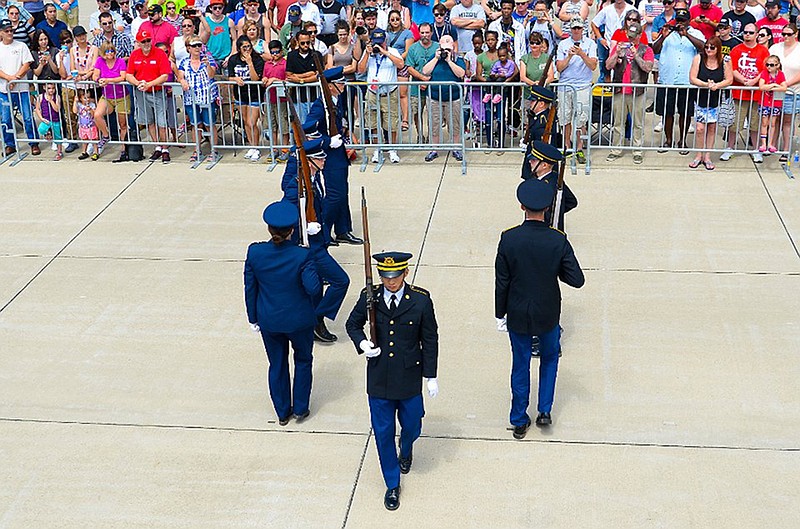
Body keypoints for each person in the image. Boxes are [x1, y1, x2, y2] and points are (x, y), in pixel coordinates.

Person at [345, 251, 439, 512]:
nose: (390, 282)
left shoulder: (420, 301)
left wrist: (430, 375)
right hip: (380, 378)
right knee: (383, 434)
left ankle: (406, 448)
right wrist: (362, 343)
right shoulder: (370, 298)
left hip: (409, 378)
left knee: (412, 425)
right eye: (385, 276)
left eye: (395, 276)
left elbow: (430, 338)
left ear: (405, 273)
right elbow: (352, 324)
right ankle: (392, 483)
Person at [494, 175, 584, 440]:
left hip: (518, 312)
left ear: (522, 207)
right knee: (549, 359)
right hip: (548, 313)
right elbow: (577, 279)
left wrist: (500, 314)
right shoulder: (557, 240)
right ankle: (544, 410)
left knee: (520, 365)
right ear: (546, 209)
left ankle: (519, 418)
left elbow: (502, 282)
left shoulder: (508, 239)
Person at [244, 200, 322, 427]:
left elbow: (250, 288)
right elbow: (313, 288)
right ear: (293, 229)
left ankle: (281, 411)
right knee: (303, 360)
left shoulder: (255, 252)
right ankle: (300, 407)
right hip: (299, 321)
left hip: (269, 319)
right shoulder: (302, 256)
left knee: (276, 364)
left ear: (269, 228)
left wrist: (253, 318)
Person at [281, 137, 351, 344]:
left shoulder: (315, 179)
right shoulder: (297, 186)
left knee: (317, 287)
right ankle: (316, 319)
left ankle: (314, 321)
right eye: (319, 159)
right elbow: (286, 210)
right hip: (310, 248)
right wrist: (303, 227)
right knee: (341, 281)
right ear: (308, 161)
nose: (324, 161)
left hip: (320, 244)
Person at [302, 66, 362, 246]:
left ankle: (343, 230)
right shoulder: (320, 106)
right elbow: (307, 129)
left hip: (339, 155)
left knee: (343, 193)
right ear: (329, 86)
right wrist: (328, 142)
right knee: (334, 195)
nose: (343, 85)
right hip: (328, 156)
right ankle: (324, 233)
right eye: (339, 83)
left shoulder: (337, 100)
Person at [652, 8, 705, 154]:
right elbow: (655, 49)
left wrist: (686, 34)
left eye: (683, 21)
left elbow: (703, 48)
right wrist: (663, 36)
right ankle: (668, 140)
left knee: (685, 112)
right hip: (667, 80)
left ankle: (682, 141)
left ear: (689, 21)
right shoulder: (668, 33)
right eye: (678, 20)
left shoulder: (695, 33)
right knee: (667, 112)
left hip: (686, 81)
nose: (680, 23)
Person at [605, 21, 653, 165]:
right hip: (620, 90)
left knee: (638, 123)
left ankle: (637, 150)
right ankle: (616, 150)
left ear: (640, 35)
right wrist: (616, 54)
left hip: (637, 91)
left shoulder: (646, 50)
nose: (630, 40)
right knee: (618, 122)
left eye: (633, 37)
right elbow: (608, 65)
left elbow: (647, 68)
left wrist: (636, 55)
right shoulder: (621, 47)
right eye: (629, 36)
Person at [721, 22, 769, 162]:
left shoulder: (763, 51)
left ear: (756, 34)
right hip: (738, 93)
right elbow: (732, 68)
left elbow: (766, 69)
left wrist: (753, 81)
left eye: (750, 32)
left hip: (756, 94)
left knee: (755, 124)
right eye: (745, 32)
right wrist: (743, 80)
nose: (747, 35)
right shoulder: (736, 49)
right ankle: (730, 148)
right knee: (734, 124)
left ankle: (755, 149)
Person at [357, 27, 403, 164]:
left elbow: (401, 64)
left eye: (381, 42)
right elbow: (360, 70)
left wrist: (384, 52)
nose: (378, 45)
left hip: (390, 92)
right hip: (373, 92)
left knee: (392, 122)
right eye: (376, 42)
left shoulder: (392, 51)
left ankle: (392, 149)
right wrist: (367, 53)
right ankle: (377, 149)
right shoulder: (369, 53)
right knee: (373, 122)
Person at [126, 28, 172, 162]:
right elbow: (129, 74)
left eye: (148, 40)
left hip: (157, 92)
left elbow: (165, 75)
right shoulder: (135, 55)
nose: (146, 43)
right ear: (138, 43)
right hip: (141, 93)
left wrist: (150, 84)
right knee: (149, 121)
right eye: (143, 41)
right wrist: (138, 83)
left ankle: (165, 149)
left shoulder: (159, 53)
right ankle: (157, 146)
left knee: (162, 122)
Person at [556, 16, 597, 164]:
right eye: (574, 28)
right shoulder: (563, 44)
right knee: (565, 118)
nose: (576, 31)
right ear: (570, 29)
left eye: (579, 28)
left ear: (583, 29)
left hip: (582, 86)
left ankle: (579, 148)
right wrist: (569, 56)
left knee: (581, 119)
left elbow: (593, 66)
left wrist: (582, 54)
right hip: (565, 85)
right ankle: (567, 147)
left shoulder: (590, 44)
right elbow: (559, 67)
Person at [689, 35, 733, 169]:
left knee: (712, 128)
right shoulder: (698, 58)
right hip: (700, 97)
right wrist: (705, 84)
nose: (708, 49)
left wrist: (717, 86)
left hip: (715, 99)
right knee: (700, 128)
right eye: (706, 47)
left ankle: (707, 156)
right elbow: (692, 78)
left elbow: (729, 79)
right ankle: (699, 155)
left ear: (718, 49)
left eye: (712, 47)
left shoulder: (724, 61)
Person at [420, 33, 465, 162]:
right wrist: (436, 58)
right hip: (435, 98)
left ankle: (456, 148)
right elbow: (425, 71)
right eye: (443, 49)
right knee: (434, 124)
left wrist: (449, 61)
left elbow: (461, 73)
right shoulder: (433, 57)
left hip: (453, 98)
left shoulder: (458, 59)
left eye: (448, 49)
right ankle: (434, 149)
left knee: (455, 124)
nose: (446, 51)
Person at [0, 17, 39, 156]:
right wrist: (9, 79)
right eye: (7, 31)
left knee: (27, 117)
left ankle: (34, 142)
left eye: (11, 30)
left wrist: (15, 78)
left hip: (21, 89)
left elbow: (27, 63)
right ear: (1, 33)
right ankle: (9, 144)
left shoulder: (21, 46)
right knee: (5, 119)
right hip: (5, 90)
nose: (10, 33)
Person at [179, 34, 220, 162]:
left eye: (199, 45)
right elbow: (180, 76)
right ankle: (197, 150)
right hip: (191, 99)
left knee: (210, 124)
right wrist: (182, 81)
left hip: (207, 98)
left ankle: (214, 150)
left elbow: (212, 74)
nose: (197, 48)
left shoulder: (208, 59)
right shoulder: (184, 62)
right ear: (188, 48)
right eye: (194, 45)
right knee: (195, 125)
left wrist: (207, 64)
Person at [521, 140, 577, 231]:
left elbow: (571, 201)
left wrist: (556, 212)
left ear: (544, 165)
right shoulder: (554, 177)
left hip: (543, 230)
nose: (530, 161)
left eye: (534, 160)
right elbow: (571, 201)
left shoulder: (546, 185)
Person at [228, 34, 265, 161]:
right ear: (239, 48)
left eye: (249, 46)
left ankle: (257, 147)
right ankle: (252, 146)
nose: (247, 49)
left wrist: (250, 63)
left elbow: (256, 78)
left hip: (255, 94)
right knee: (246, 123)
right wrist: (235, 79)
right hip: (240, 94)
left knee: (252, 122)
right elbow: (230, 76)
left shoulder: (257, 59)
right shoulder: (233, 59)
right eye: (244, 47)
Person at [92, 41, 129, 160]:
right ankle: (106, 135)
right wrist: (99, 80)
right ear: (103, 53)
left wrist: (108, 80)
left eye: (112, 50)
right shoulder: (100, 61)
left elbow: (122, 77)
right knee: (97, 115)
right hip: (107, 96)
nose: (110, 53)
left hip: (121, 96)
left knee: (122, 124)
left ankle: (123, 148)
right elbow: (95, 75)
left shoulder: (121, 61)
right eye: (107, 51)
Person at [768, 24, 800, 160]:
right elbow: (768, 65)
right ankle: (771, 145)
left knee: (787, 121)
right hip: (775, 90)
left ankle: (786, 150)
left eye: (789, 34)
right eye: (784, 34)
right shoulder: (775, 47)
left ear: (796, 34)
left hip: (792, 91)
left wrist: (786, 84)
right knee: (774, 120)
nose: (785, 37)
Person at [591, 0, 636, 82]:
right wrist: (600, 39)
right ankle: (607, 91)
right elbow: (594, 23)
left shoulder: (632, 9)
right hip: (609, 45)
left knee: (624, 72)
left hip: (626, 46)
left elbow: (642, 24)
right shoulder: (606, 10)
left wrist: (635, 39)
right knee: (606, 71)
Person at [385, 9, 413, 133]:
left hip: (401, 65)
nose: (395, 21)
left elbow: (408, 50)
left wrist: (397, 60)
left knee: (402, 93)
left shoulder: (407, 33)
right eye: (392, 19)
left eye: (397, 19)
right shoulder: (386, 34)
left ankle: (405, 119)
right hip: (387, 66)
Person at [285, 28, 321, 121]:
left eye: (308, 43)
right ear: (297, 42)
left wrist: (300, 79)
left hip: (314, 97)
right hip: (298, 98)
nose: (305, 45)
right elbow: (289, 76)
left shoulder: (316, 55)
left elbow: (318, 75)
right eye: (303, 43)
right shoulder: (291, 55)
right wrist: (309, 74)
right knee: (301, 126)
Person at [757, 54, 786, 153]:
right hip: (765, 102)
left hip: (776, 103)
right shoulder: (764, 73)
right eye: (767, 64)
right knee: (764, 123)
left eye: (772, 65)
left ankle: (770, 143)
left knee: (773, 123)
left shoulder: (780, 74)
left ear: (777, 65)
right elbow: (761, 86)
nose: (769, 67)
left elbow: (784, 87)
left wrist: (769, 86)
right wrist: (774, 85)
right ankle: (763, 143)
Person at [200, 0, 234, 65]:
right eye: (215, 8)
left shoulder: (229, 21)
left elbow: (235, 40)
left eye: (220, 8)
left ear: (223, 8)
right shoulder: (204, 22)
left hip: (225, 58)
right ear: (210, 8)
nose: (217, 10)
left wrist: (230, 56)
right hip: (210, 58)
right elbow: (200, 41)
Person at [34, 81, 62, 159]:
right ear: (44, 88)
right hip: (46, 119)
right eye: (49, 88)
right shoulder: (40, 97)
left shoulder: (57, 97)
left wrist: (51, 101)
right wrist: (41, 118)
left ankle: (59, 152)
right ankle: (48, 133)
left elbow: (57, 109)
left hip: (55, 120)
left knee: (58, 137)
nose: (51, 90)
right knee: (41, 129)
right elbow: (37, 109)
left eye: (53, 88)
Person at [74, 88, 98, 159]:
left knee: (94, 140)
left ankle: (96, 152)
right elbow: (74, 111)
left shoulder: (92, 105)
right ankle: (84, 152)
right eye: (85, 98)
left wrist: (90, 110)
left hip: (91, 126)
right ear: (80, 98)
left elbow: (94, 114)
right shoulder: (79, 105)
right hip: (82, 126)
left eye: (88, 97)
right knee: (84, 140)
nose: (87, 99)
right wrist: (75, 102)